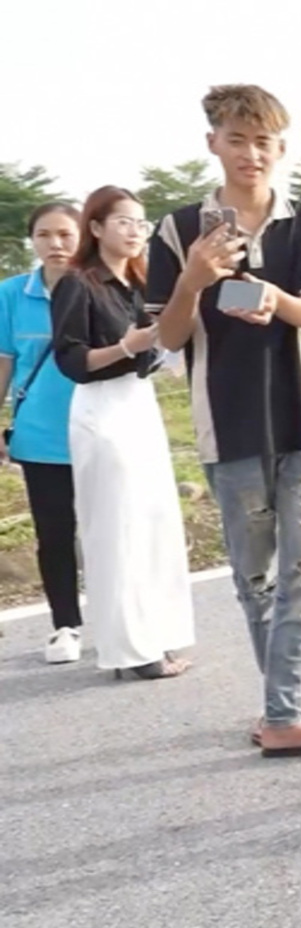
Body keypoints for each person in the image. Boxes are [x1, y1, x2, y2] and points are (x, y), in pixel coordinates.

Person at [149, 84, 301, 757]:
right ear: (213, 144)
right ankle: (281, 710)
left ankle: (282, 713)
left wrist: (274, 299)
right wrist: (192, 280)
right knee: (255, 579)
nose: (251, 154)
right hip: (225, 425)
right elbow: (167, 338)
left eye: (263, 142)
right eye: (237, 139)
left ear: (280, 148)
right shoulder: (177, 230)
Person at [49, 187, 196, 680]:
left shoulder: (139, 281)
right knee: (116, 531)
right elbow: (72, 360)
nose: (135, 232)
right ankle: (130, 651)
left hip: (139, 405)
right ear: (96, 228)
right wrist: (124, 347)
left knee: (152, 526)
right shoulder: (78, 283)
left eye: (141, 224)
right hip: (101, 412)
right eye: (123, 223)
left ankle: (152, 637)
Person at [1, 202, 85, 664]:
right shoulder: (11, 295)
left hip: (99, 433)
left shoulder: (99, 288)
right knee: (54, 534)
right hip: (40, 438)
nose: (56, 244)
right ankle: (65, 625)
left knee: (109, 531)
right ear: (31, 240)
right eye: (45, 235)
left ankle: (121, 622)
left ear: (82, 237)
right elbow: (3, 365)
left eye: (65, 235)